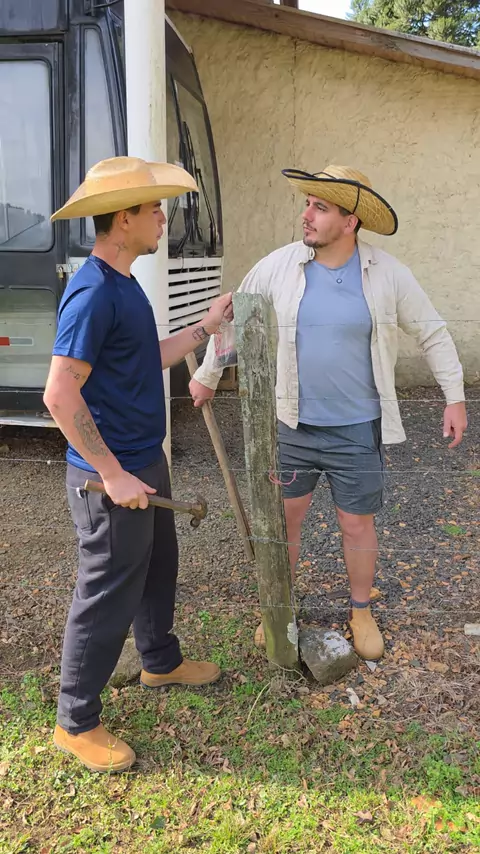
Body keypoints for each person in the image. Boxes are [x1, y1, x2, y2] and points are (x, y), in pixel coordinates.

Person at [189, 164, 467, 661]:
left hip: (357, 429)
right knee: (285, 521)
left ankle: (361, 611)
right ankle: (279, 606)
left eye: (320, 207)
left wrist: (455, 396)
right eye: (307, 204)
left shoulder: (386, 274)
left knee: (356, 524)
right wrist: (208, 374)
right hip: (292, 424)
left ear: (350, 221)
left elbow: (432, 330)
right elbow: (234, 316)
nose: (307, 215)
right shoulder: (279, 266)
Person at [44, 156, 233, 773]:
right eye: (154, 209)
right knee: (105, 592)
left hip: (144, 461)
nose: (163, 219)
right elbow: (60, 394)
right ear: (122, 219)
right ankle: (75, 721)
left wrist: (205, 327)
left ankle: (159, 661)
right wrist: (111, 473)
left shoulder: (124, 285)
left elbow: (144, 357)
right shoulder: (94, 292)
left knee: (157, 567)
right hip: (110, 478)